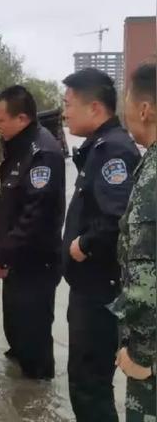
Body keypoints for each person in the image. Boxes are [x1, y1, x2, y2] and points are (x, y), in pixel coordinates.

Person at [62, 68, 141, 422]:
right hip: (92, 288)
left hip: (99, 292)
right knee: (85, 379)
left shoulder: (113, 152)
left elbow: (118, 217)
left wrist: (84, 244)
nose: (63, 113)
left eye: (67, 104)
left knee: (90, 384)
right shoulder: (99, 147)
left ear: (94, 108)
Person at [0, 85, 65, 380]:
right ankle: (18, 374)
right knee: (16, 326)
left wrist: (4, 255)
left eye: (0, 120)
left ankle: (36, 395)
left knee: (34, 334)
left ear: (21, 118)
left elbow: (35, 216)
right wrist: (2, 254)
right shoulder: (17, 145)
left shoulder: (42, 153)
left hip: (35, 262)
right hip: (15, 260)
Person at [111, 63, 156, 421]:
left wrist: (140, 356)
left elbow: (146, 278)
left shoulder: (152, 177)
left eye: (127, 100)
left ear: (144, 109)